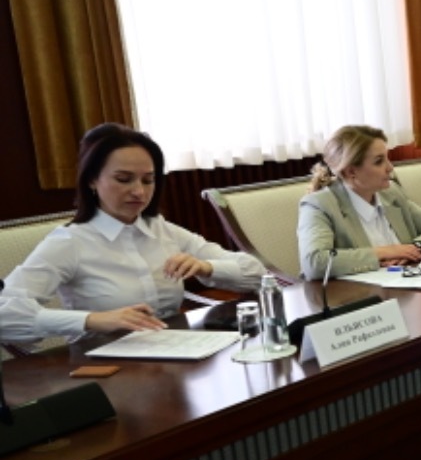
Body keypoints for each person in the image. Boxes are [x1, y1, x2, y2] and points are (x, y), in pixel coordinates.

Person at [0, 123, 266, 341]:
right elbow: (5, 314)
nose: (139, 191)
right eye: (123, 179)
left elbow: (257, 273)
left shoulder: (162, 229)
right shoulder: (70, 242)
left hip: (173, 349)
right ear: (92, 180)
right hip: (103, 364)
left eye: (148, 180)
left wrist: (207, 267)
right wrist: (93, 320)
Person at [297, 125, 421, 279]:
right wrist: (384, 252)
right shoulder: (319, 205)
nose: (390, 168)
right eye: (379, 161)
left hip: (406, 286)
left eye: (387, 158)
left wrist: (416, 248)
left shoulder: (391, 193)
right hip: (356, 295)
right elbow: (314, 263)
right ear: (351, 171)